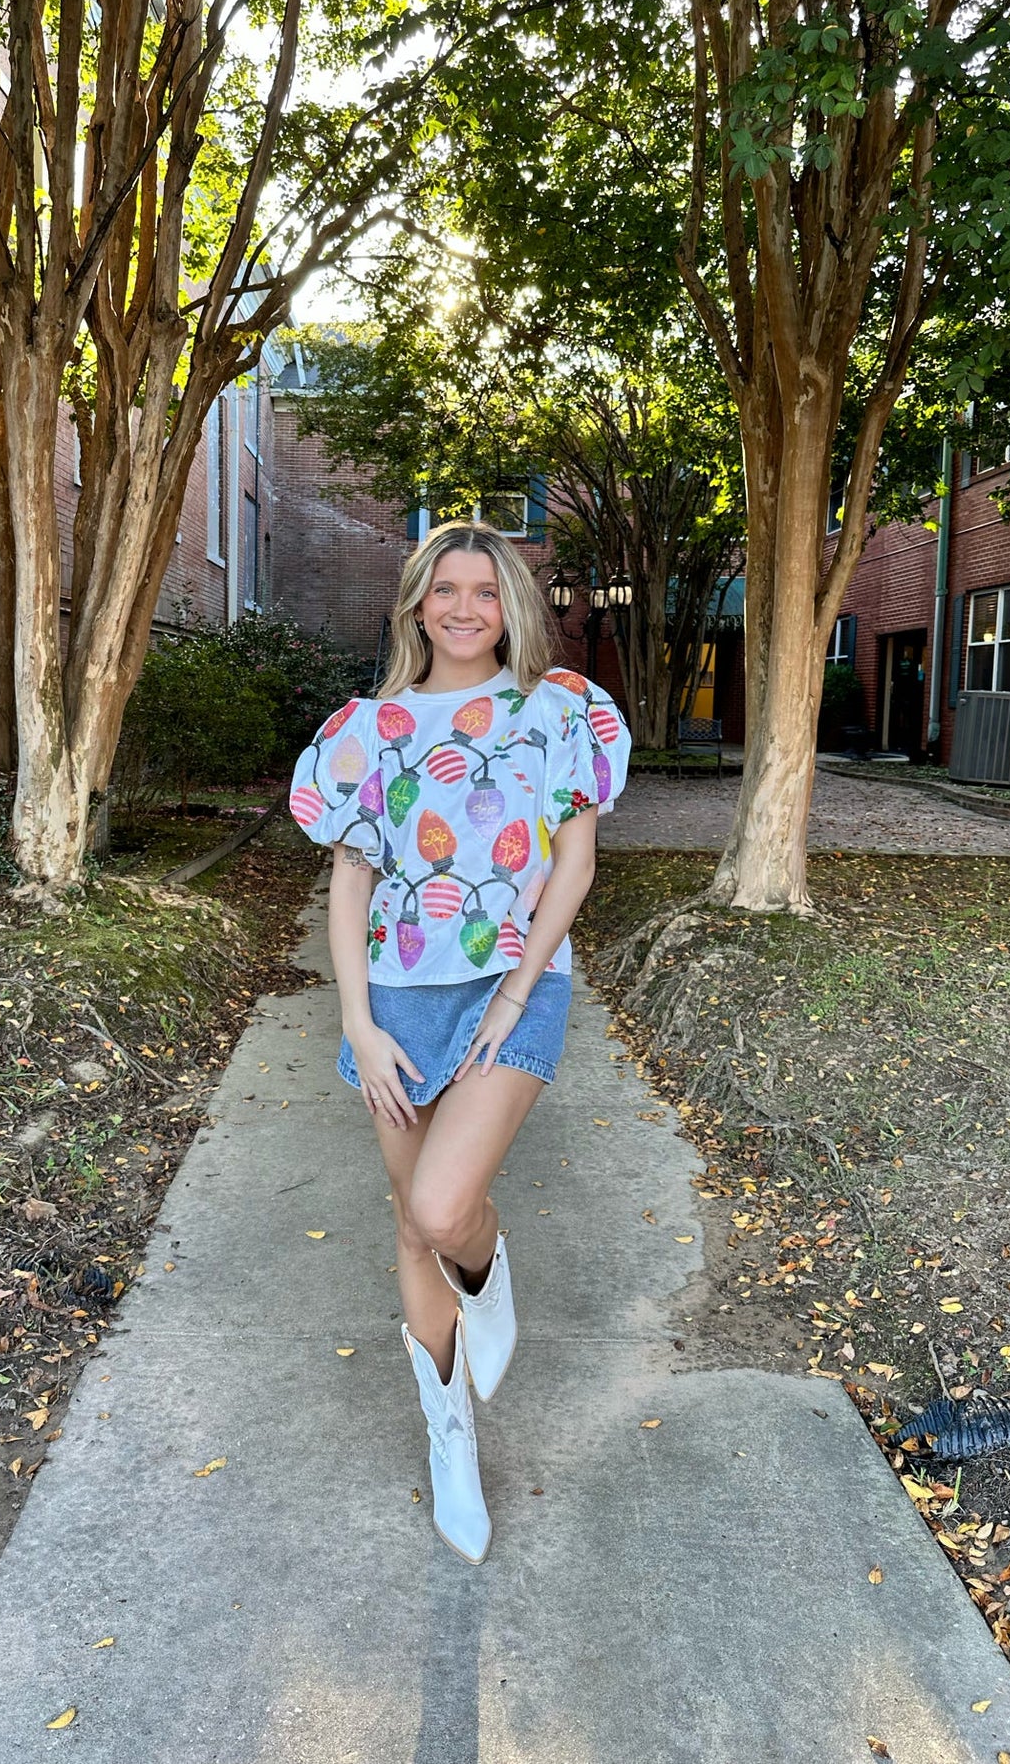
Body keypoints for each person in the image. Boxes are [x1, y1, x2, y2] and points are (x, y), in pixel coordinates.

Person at [288, 520, 630, 1562]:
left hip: (508, 987)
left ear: (510, 604)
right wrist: (356, 1020)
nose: (466, 606)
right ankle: (450, 1438)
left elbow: (571, 868)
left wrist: (513, 993)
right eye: (447, 588)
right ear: (417, 604)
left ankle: (488, 1276)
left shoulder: (555, 709)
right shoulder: (368, 727)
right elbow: (349, 882)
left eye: (486, 589)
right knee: (408, 1224)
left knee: (445, 1207)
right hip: (393, 998)